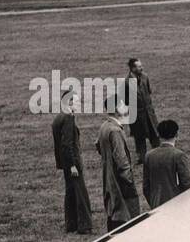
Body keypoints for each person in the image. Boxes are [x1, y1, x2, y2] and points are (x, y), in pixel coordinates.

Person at [51, 90, 93, 234]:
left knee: (70, 193)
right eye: (76, 101)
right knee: (81, 194)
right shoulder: (68, 118)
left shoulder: (58, 118)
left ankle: (71, 224)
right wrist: (73, 165)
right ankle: (84, 226)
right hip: (72, 163)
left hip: (65, 163)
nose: (78, 103)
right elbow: (67, 144)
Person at [96, 105, 140, 231]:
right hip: (120, 181)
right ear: (116, 110)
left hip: (109, 176)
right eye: (122, 104)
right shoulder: (115, 130)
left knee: (113, 212)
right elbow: (121, 160)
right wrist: (129, 180)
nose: (126, 106)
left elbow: (98, 145)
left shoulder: (105, 126)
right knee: (126, 218)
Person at [142, 119, 190, 208]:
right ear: (177, 134)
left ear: (158, 135)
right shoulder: (179, 155)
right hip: (176, 205)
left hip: (156, 205)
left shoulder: (149, 155)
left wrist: (153, 202)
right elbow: (188, 183)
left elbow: (146, 187)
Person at [126, 57, 159, 164]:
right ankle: (142, 158)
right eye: (139, 66)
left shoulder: (145, 77)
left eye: (141, 66)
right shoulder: (127, 83)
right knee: (139, 137)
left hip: (149, 112)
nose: (142, 68)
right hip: (136, 115)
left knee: (154, 134)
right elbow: (126, 101)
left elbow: (148, 92)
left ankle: (159, 153)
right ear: (132, 68)